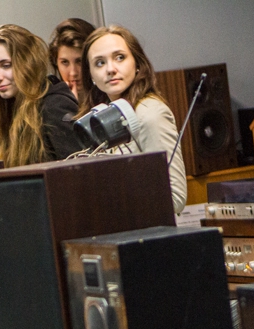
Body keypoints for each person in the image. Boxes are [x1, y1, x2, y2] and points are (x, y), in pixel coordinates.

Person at [78, 25, 187, 213]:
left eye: (119, 57)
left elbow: (175, 197)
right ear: (91, 75)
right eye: (99, 63)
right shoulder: (99, 117)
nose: (110, 69)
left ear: (137, 64)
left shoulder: (150, 113)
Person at [0, 24, 83, 168]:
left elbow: (79, 173)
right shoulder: (8, 109)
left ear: (27, 64)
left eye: (6, 65)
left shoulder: (54, 106)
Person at [48, 18, 95, 101]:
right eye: (65, 62)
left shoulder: (110, 96)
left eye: (79, 61)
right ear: (56, 62)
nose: (73, 73)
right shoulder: (49, 103)